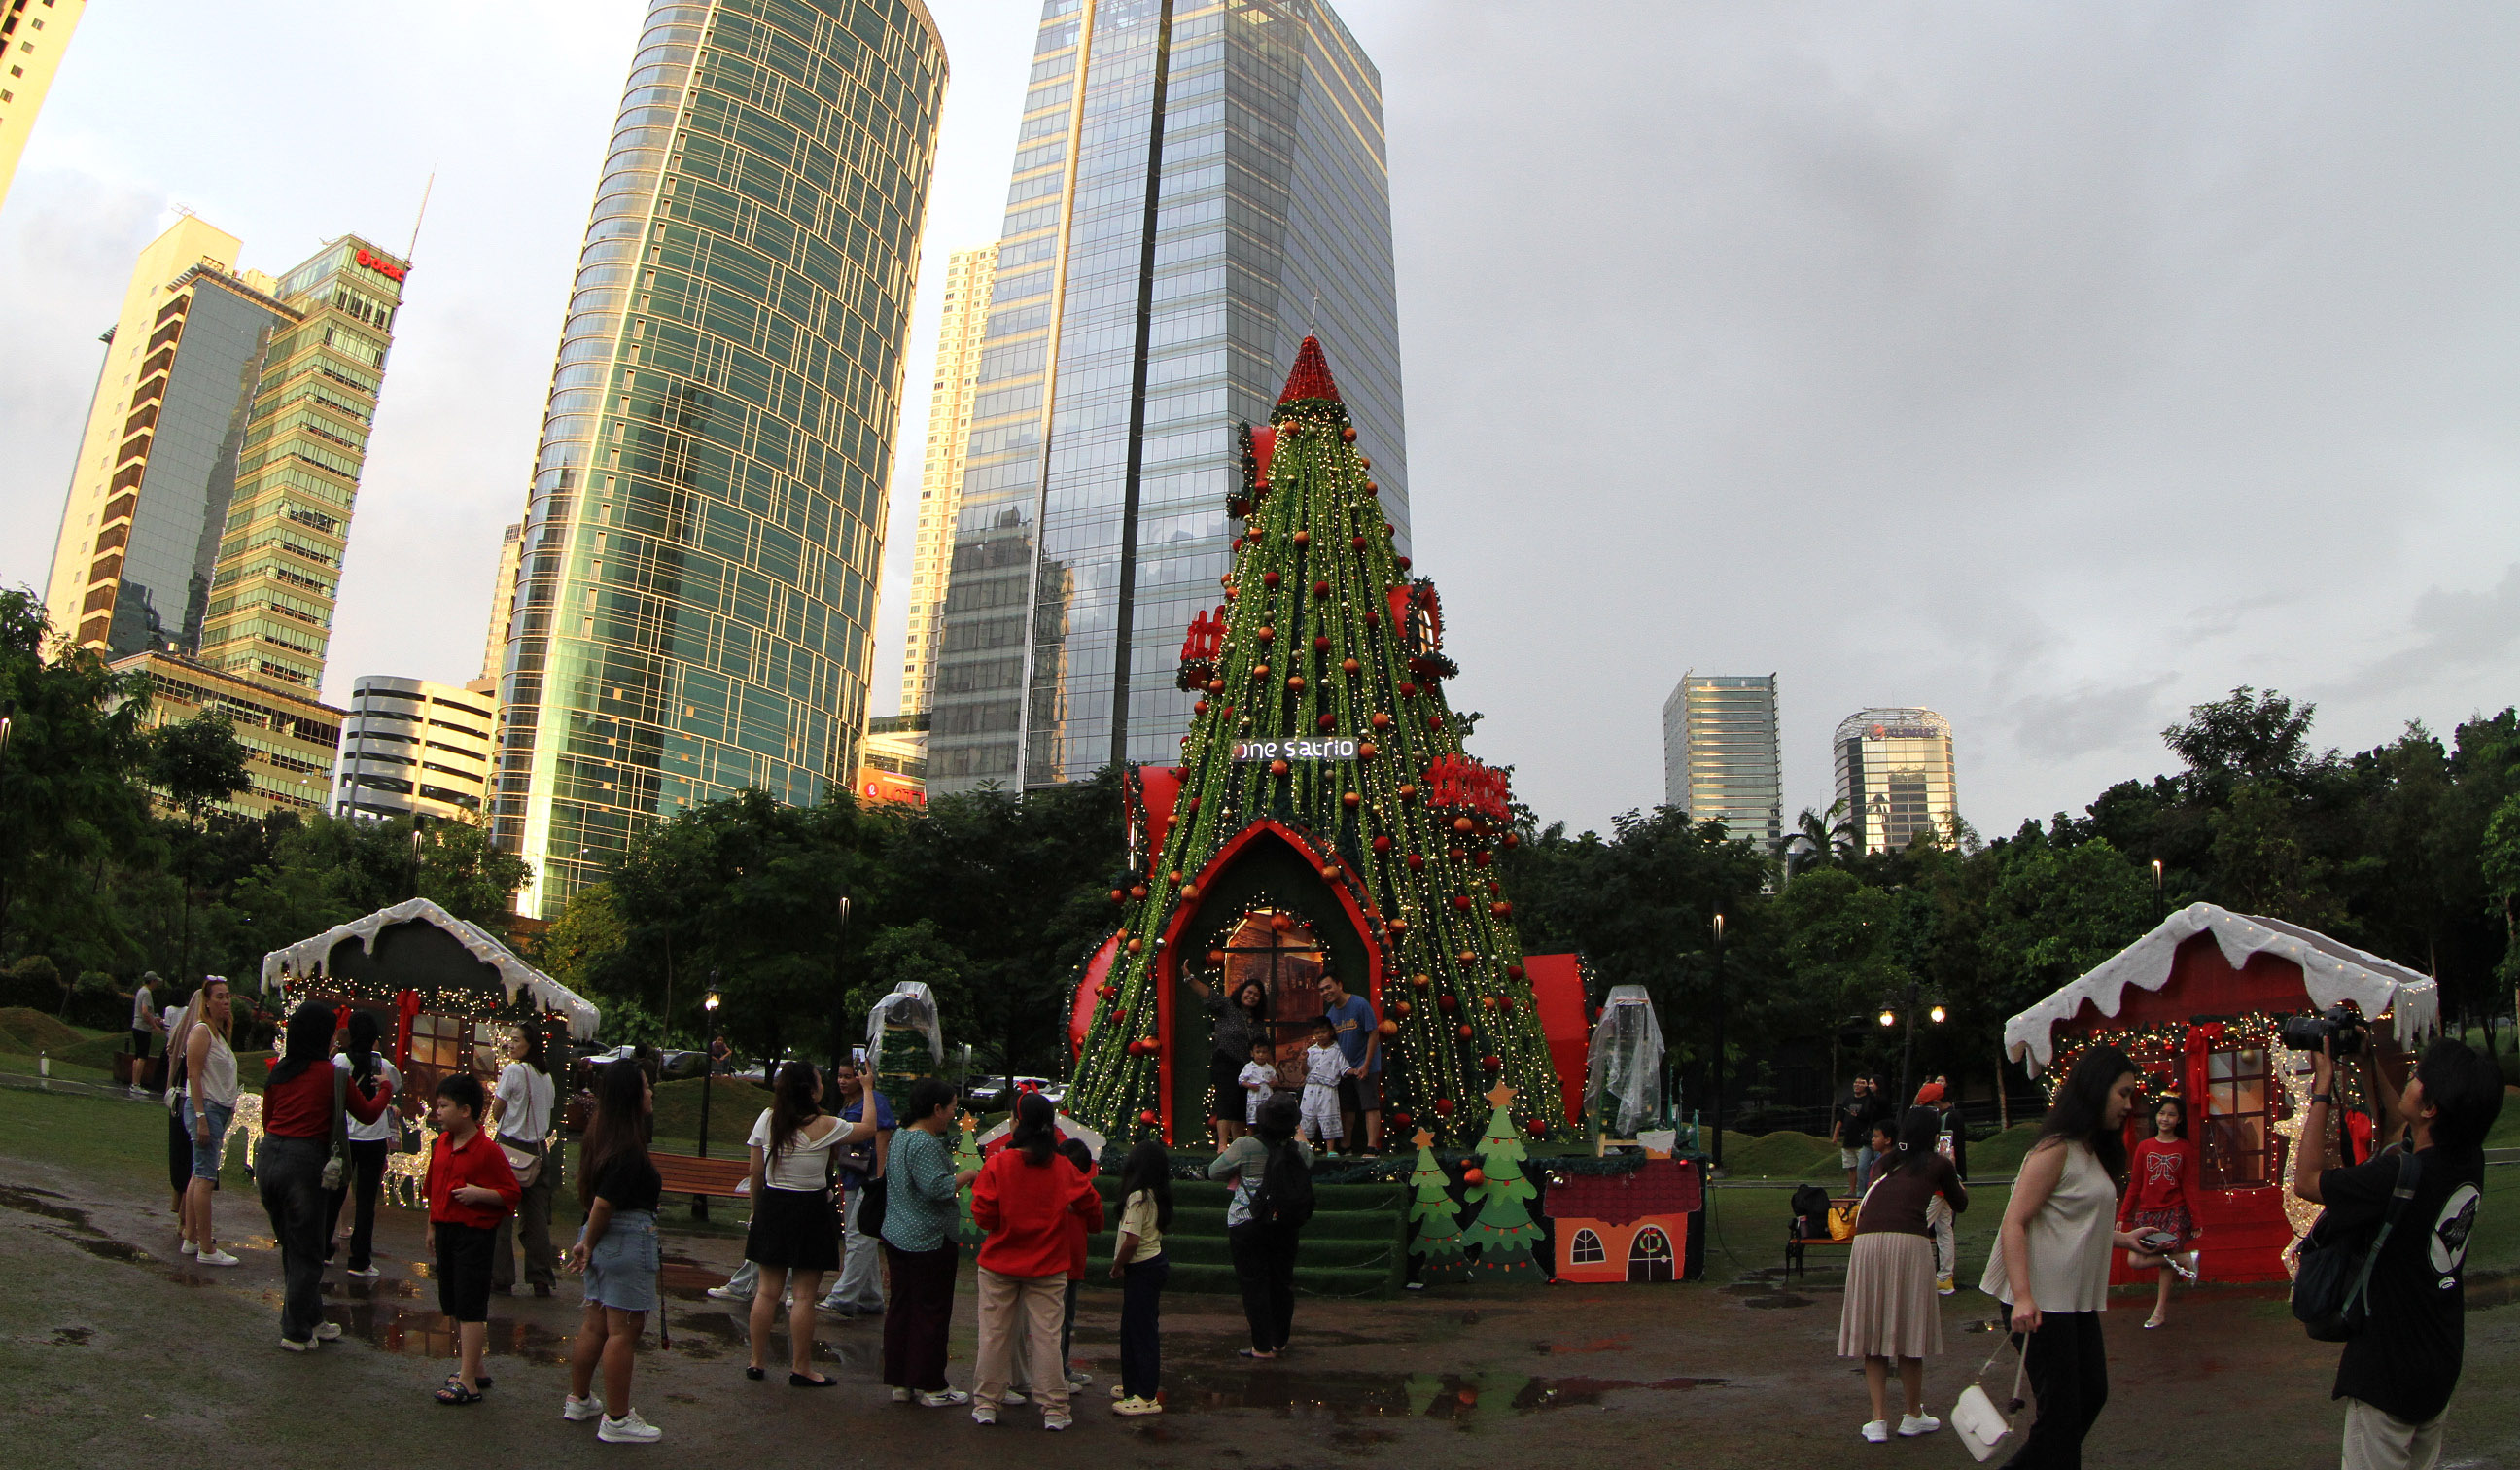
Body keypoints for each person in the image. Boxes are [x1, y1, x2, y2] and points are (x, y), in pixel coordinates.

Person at [2292, 1034, 2503, 1470]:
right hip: (2438, 1357)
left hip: (2387, 1371)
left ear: (2430, 1108)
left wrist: (2322, 1087)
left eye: (2416, 1076)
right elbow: (2397, 1125)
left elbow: (2307, 1180)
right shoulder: (2468, 1160)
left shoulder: (2394, 1176)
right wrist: (2367, 1063)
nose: (2408, 1078)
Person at [1980, 1045, 2154, 1468]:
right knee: (2060, 1419)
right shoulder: (2054, 1149)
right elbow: (2014, 1222)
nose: (2129, 1106)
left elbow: (2075, 1220)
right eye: (2123, 1094)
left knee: (2089, 1398)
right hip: (2039, 1303)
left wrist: (2125, 1239)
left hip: (2073, 1301)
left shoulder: (2092, 1151)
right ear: (2096, 1091)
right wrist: (2022, 1296)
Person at [969, 1091, 1103, 1429]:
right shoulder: (1063, 1167)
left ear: (1017, 1123)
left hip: (1000, 1263)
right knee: (1047, 1337)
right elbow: (1093, 1207)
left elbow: (983, 1216)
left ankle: (987, 1403)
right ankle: (1055, 1409)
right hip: (1048, 1265)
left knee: (994, 1335)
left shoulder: (999, 1163)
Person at [1839, 1104, 1968, 1443]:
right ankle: (1912, 1414)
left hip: (1866, 1243)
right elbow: (1961, 1203)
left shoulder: (1886, 1162)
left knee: (1873, 1329)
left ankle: (1878, 1419)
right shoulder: (1938, 1164)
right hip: (1908, 1241)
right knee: (1910, 1331)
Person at [742, 1061, 872, 1386]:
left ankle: (756, 1361)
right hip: (810, 1208)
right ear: (812, 1090)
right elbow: (869, 1128)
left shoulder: (768, 1119)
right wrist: (868, 1088)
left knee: (767, 1290)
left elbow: (756, 1172)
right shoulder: (827, 1124)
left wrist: (757, 1211)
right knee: (803, 1296)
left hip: (773, 1204)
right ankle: (801, 1367)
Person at [565, 1059, 666, 1443]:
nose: (650, 1092)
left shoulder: (601, 1136)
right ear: (631, 1096)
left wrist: (589, 1241)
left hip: (603, 1236)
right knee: (624, 1331)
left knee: (595, 1322)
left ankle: (579, 1399)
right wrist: (587, 1242)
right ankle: (618, 1419)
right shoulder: (627, 1148)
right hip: (625, 1237)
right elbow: (605, 1203)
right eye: (645, 1086)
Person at [882, 1077, 981, 1408]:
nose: (954, 1114)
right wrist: (967, 1175)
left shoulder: (900, 1136)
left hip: (898, 1234)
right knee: (931, 1313)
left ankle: (901, 1380)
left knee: (901, 1308)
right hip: (928, 1240)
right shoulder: (925, 1144)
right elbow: (937, 1188)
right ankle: (932, 1386)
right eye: (952, 1107)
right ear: (936, 1109)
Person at [425, 1071, 519, 1401]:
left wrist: (480, 1194)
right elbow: (434, 1189)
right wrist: (433, 1226)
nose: (438, 1111)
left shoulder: (487, 1151)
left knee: (470, 1304)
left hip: (474, 1234)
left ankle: (467, 1380)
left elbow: (510, 1194)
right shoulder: (441, 1145)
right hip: (448, 1230)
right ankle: (474, 1366)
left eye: (444, 1106)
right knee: (451, 1300)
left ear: (465, 1111)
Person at [1211, 1091, 1312, 1359]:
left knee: (1254, 1283)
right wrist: (1297, 1129)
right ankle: (1280, 1341)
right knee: (1282, 1280)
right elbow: (1309, 1158)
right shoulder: (1299, 1150)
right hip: (1285, 1223)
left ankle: (1262, 1345)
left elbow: (1214, 1172)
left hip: (1247, 1222)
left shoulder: (1245, 1146)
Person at [328, 1009, 403, 1278]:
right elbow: (395, 1085)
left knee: (334, 1192)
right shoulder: (383, 1065)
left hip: (344, 1134)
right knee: (367, 1199)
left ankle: (325, 1249)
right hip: (374, 1136)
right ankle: (360, 1260)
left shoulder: (338, 1061)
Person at [818, 1056, 895, 1318]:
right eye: (839, 1076)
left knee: (858, 1235)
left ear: (862, 1077)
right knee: (862, 1235)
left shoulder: (874, 1102)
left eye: (848, 1076)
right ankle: (871, 1296)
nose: (842, 1081)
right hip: (852, 1175)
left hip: (868, 1178)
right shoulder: (848, 1104)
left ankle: (842, 1296)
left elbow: (883, 1136)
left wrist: (880, 1177)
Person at [2119, 1094, 2198, 1329]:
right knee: (2135, 1259)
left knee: (2165, 1262)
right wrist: (2123, 1215)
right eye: (2162, 1113)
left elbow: (2189, 1185)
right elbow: (2135, 1184)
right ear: (2156, 1117)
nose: (2165, 1118)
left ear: (2179, 1120)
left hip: (2174, 1211)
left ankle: (2159, 1311)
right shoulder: (2145, 1147)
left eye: (2171, 1115)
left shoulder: (2184, 1148)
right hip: (2147, 1214)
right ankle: (2185, 1259)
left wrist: (2197, 1220)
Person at [490, 1026, 559, 1298]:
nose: (511, 1044)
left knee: (501, 1214)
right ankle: (541, 1278)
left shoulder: (513, 1072)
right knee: (537, 1219)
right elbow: (547, 1113)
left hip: (511, 1148)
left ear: (529, 1045)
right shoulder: (547, 1078)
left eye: (516, 1040)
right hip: (540, 1151)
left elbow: (497, 1112)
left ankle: (501, 1278)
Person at [178, 980, 240, 1265]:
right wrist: (202, 1116)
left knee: (198, 1173)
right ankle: (206, 1247)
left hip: (218, 1108)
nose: (225, 1002)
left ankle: (191, 1237)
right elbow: (193, 1074)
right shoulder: (201, 1031)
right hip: (208, 1108)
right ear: (206, 1001)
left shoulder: (219, 1034)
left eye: (228, 997)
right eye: (219, 997)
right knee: (205, 1177)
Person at [1108, 1138, 1172, 1416]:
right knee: (1134, 1327)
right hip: (1152, 1263)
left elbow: (1131, 1240)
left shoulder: (1138, 1197)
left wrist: (1117, 1265)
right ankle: (1134, 1383)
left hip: (1141, 1265)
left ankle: (1146, 1394)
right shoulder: (1156, 1194)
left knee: (1141, 1331)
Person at [1182, 970, 1271, 1147]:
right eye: (1249, 992)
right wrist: (1190, 978)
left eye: (1256, 995)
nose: (1251, 997)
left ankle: (1237, 1144)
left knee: (1240, 1104)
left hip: (1247, 1066)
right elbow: (1208, 994)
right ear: (1242, 991)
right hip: (1226, 1061)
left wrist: (1272, 1071)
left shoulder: (1258, 1021)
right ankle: (1222, 1144)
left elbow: (1263, 1047)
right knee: (1227, 1101)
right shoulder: (1228, 1005)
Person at [1318, 971, 1383, 1155]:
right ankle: (1346, 1147)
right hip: (1345, 1070)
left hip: (1365, 1066)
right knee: (1347, 1109)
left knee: (1370, 1105)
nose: (1326, 992)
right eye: (1322, 990)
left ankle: (1372, 1147)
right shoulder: (1330, 1014)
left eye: (1328, 987)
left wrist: (1366, 1064)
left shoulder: (1359, 1004)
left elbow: (1373, 1033)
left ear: (1339, 984)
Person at [1913, 1080, 1959, 1293]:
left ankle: (1917, 1273)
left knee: (1919, 1226)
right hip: (1945, 1178)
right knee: (1944, 1228)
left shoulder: (1942, 1120)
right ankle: (1945, 1277)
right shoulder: (1949, 1116)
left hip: (1937, 1181)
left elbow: (1943, 1150)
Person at [164, 987, 198, 1228]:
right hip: (189, 1099)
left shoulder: (179, 1030)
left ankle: (181, 1213)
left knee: (180, 1158)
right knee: (190, 1162)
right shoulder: (198, 1034)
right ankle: (186, 1221)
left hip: (175, 1099)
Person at [1298, 1019, 1346, 1154]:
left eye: (1323, 1032)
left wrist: (1354, 1071)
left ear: (1330, 1032)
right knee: (1306, 1117)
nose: (1320, 1035)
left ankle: (1330, 1149)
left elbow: (1344, 1067)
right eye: (1317, 1033)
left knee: (1328, 1116)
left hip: (1328, 1089)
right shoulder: (1311, 1050)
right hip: (1311, 1089)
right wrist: (1302, 1060)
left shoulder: (1337, 1049)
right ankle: (1304, 1150)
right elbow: (1304, 1071)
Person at [1835, 1075, 1877, 1195]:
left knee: (1863, 1167)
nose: (1857, 1085)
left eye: (1861, 1083)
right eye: (1856, 1082)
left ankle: (1863, 1190)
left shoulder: (1869, 1100)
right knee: (1851, 1166)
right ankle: (1851, 1190)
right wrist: (1836, 1134)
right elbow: (1841, 1118)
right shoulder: (1848, 1100)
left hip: (1862, 1138)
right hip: (1849, 1137)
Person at [128, 970, 161, 1096]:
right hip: (143, 1028)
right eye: (156, 982)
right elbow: (145, 1012)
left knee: (137, 1056)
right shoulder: (147, 993)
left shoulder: (141, 991)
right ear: (152, 981)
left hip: (136, 1026)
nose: (156, 984)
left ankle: (134, 1082)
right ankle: (136, 1084)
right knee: (142, 1056)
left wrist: (154, 1018)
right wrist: (153, 1025)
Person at [1238, 1040, 1276, 1128]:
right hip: (1254, 1097)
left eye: (1264, 1052)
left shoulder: (1269, 1067)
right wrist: (1250, 1085)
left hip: (1267, 1096)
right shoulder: (1249, 1067)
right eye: (1258, 1052)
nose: (1261, 1055)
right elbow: (1241, 1080)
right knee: (1253, 1124)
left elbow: (1275, 1079)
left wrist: (1273, 1083)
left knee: (1267, 1122)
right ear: (1252, 1053)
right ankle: (1250, 1140)